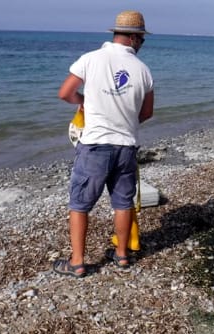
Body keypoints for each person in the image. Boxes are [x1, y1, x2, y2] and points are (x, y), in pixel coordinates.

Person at [53, 10, 154, 277]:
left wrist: (83, 101)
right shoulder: (143, 70)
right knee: (123, 202)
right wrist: (125, 120)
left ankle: (77, 262)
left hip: (95, 144)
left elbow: (65, 93)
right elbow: (146, 113)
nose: (142, 45)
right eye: (142, 40)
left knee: (80, 204)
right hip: (126, 146)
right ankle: (121, 256)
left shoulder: (91, 59)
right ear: (133, 38)